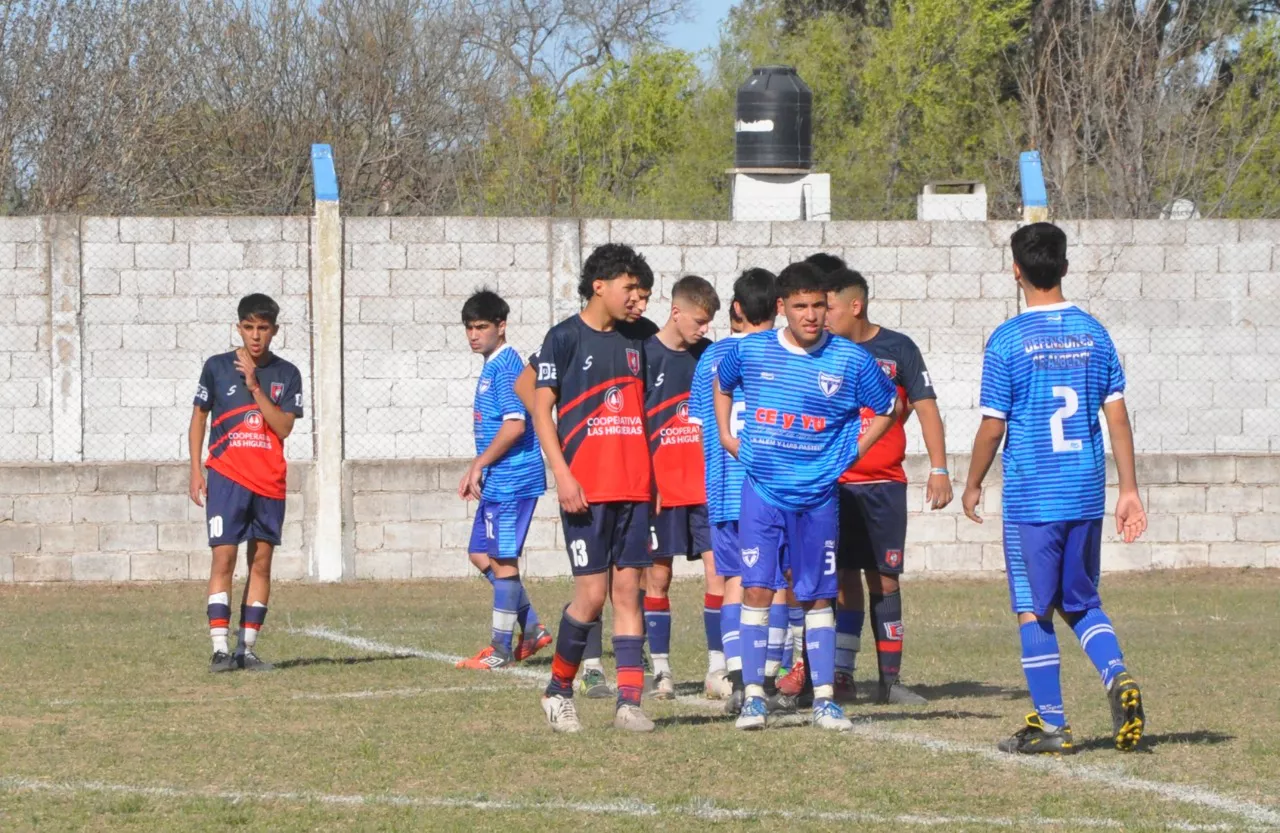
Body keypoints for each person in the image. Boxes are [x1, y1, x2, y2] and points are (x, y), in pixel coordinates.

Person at [962, 222, 1147, 755]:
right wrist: (1128, 489)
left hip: (1033, 497)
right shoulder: (1094, 332)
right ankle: (1116, 675)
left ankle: (1052, 724)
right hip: (1085, 490)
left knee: (1033, 607)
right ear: (1064, 267)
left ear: (1015, 270)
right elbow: (1117, 419)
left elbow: (993, 426)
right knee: (1081, 599)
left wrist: (972, 483)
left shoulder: (1008, 340)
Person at [714, 261, 898, 731]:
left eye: (819, 305)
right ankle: (754, 695)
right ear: (782, 307)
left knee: (816, 596)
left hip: (818, 496)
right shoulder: (753, 350)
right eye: (800, 306)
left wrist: (851, 452)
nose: (811, 315)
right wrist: (727, 436)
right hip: (762, 492)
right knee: (757, 587)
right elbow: (722, 380)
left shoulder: (851, 360)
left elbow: (888, 406)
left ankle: (823, 700)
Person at [512, 265, 659, 700]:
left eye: (645, 294)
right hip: (586, 490)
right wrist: (564, 471)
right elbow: (537, 403)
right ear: (600, 286)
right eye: (631, 290)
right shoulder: (564, 337)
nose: (640, 301)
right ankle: (559, 688)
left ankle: (630, 703)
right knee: (593, 596)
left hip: (634, 487)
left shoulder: (644, 335)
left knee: (630, 592)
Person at [823, 266, 952, 705]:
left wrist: (939, 469)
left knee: (885, 578)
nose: (823, 316)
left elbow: (925, 406)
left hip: (884, 486)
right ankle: (840, 675)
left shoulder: (898, 348)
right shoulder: (822, 351)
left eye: (831, 307)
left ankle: (890, 681)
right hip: (835, 486)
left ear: (855, 306)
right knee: (841, 579)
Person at [188, 294, 304, 673]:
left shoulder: (287, 374)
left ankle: (247, 650)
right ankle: (220, 648)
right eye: (249, 328)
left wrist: (255, 387)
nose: (256, 336)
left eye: (263, 328)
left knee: (262, 562)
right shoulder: (217, 367)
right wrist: (195, 470)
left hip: (268, 482)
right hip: (227, 477)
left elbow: (284, 427)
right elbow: (199, 419)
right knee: (223, 556)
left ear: (274, 330)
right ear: (239, 327)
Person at [689, 268, 778, 714]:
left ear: (736, 310)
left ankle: (739, 678)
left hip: (723, 490)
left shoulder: (711, 359)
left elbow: (701, 425)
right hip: (773, 489)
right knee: (774, 582)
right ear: (779, 308)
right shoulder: (784, 353)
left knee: (733, 583)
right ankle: (771, 679)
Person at [454, 290, 552, 670]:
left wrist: (478, 464)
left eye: (481, 327)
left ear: (501, 326)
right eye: (469, 328)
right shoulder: (493, 364)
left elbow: (515, 424)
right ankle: (532, 629)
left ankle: (500, 650)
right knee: (481, 553)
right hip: (497, 478)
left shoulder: (508, 367)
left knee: (503, 558)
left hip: (513, 478)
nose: (473, 334)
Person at [642, 275, 719, 700]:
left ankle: (717, 669)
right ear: (676, 312)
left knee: (718, 573)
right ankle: (663, 673)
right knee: (658, 577)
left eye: (708, 323)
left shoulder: (709, 357)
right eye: (700, 320)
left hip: (707, 489)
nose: (703, 329)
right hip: (660, 490)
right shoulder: (644, 356)